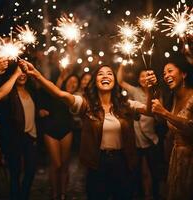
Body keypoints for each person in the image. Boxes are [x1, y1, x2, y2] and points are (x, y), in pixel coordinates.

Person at [19, 59, 156, 200]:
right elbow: (59, 94)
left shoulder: (126, 105)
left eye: (109, 74)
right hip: (97, 163)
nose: (105, 76)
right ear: (95, 81)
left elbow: (149, 111)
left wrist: (150, 90)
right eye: (100, 74)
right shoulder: (85, 105)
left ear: (114, 80)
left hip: (122, 162)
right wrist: (35, 74)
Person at [150, 54, 193, 200]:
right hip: (176, 158)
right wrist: (152, 89)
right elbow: (157, 117)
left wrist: (165, 113)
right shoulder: (172, 98)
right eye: (164, 73)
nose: (166, 75)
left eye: (170, 71)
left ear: (184, 73)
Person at [117, 64, 161, 200]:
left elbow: (158, 114)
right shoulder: (135, 91)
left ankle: (154, 194)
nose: (144, 78)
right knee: (139, 169)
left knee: (153, 170)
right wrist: (122, 64)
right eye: (141, 76)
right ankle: (142, 194)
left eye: (146, 76)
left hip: (151, 136)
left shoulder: (156, 92)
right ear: (138, 79)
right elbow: (120, 81)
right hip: (137, 136)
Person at [0, 69, 39, 200]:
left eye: (24, 72)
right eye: (19, 72)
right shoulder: (9, 93)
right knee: (15, 172)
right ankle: (15, 196)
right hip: (15, 138)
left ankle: (23, 195)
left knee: (31, 170)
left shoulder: (32, 92)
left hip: (31, 136)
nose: (22, 75)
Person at [38, 74, 80, 200]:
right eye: (70, 81)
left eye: (75, 82)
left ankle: (62, 194)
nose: (72, 84)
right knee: (56, 164)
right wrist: (61, 76)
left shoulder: (75, 98)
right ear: (65, 82)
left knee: (65, 164)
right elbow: (53, 88)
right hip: (50, 131)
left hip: (66, 131)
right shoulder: (57, 93)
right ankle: (54, 193)